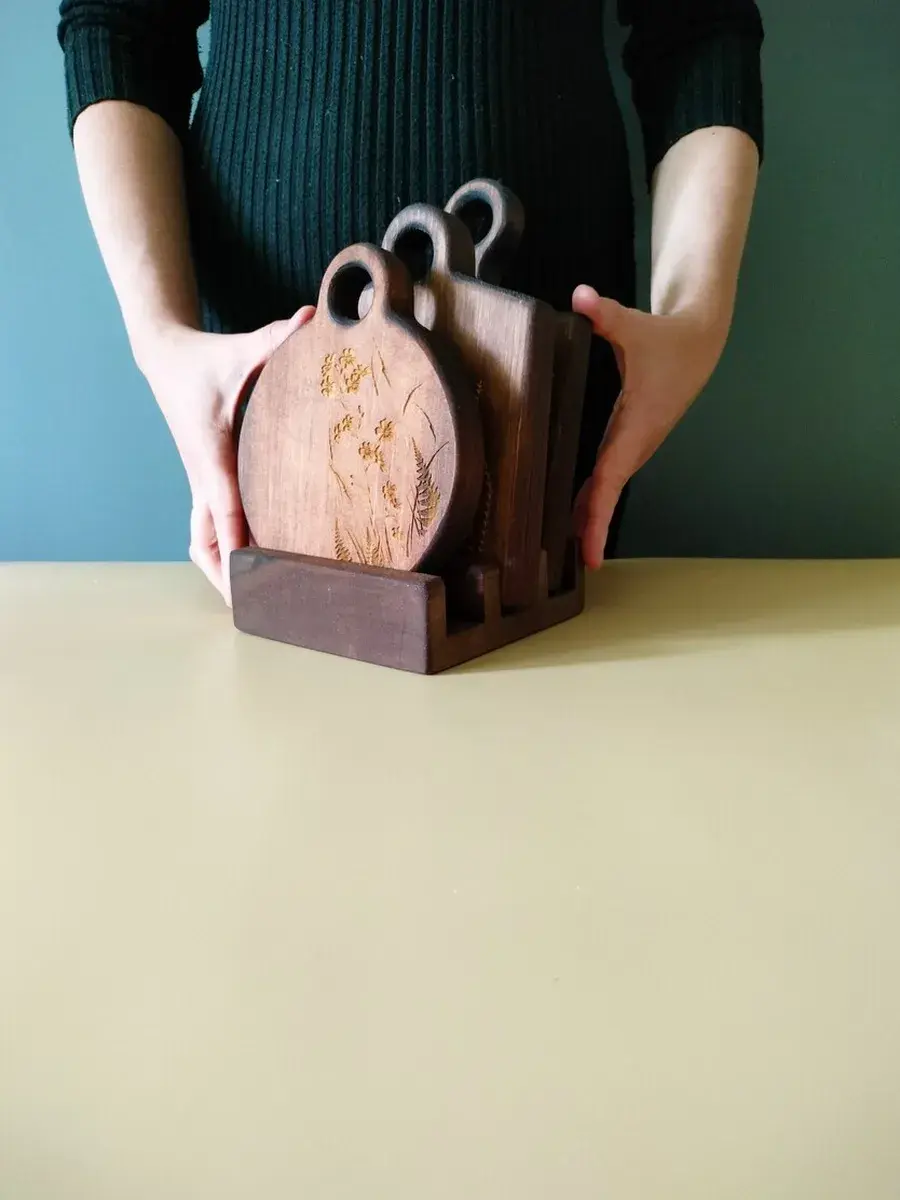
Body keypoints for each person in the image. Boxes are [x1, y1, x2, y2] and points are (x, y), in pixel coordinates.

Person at [58, 0, 763, 605]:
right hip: (265, 397)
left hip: (542, 420)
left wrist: (695, 320)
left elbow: (697, 24)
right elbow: (120, 23)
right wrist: (161, 340)